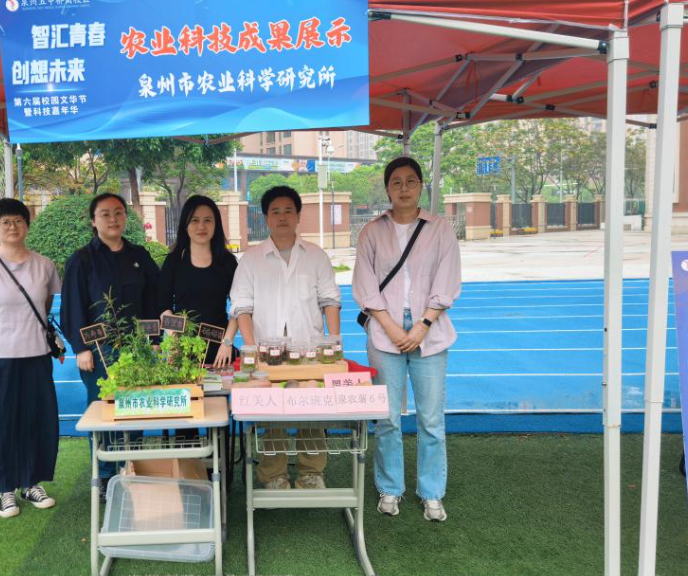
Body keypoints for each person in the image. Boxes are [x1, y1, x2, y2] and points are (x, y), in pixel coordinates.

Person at [352, 156, 462, 523]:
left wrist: (422, 326)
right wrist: (393, 328)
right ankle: (390, 487)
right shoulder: (372, 232)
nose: (403, 188)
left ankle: (432, 492)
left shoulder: (440, 230)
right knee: (387, 419)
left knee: (431, 419)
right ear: (387, 189)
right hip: (385, 335)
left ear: (420, 186)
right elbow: (365, 286)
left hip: (429, 334)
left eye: (410, 181)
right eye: (396, 182)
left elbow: (447, 281)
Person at [230, 185, 341, 490]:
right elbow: (241, 306)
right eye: (275, 212)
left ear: (298, 216)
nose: (282, 217)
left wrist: (333, 343)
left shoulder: (316, 256)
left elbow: (330, 300)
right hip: (266, 352)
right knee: (271, 414)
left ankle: (311, 472)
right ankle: (273, 475)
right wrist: (250, 347)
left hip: (310, 351)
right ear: (266, 218)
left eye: (288, 211)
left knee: (313, 412)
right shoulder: (251, 259)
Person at [0, 198, 62, 519]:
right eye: (5, 222)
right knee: (0, 423)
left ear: (27, 224)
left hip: (36, 357)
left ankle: (31, 482)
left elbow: (44, 306)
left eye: (18, 220)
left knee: (36, 420)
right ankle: (5, 489)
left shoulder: (44, 265)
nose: (12, 227)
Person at [60, 192, 160, 482]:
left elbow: (153, 300)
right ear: (93, 221)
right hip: (99, 351)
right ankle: (104, 475)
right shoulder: (82, 260)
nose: (113, 219)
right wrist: (81, 348)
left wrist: (154, 341)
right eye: (105, 214)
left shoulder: (139, 256)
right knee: (103, 409)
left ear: (126, 217)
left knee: (136, 407)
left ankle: (132, 468)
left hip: (137, 348)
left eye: (118, 212)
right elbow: (72, 306)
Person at [159, 195, 239, 367]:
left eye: (208, 220)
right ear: (185, 224)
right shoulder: (174, 261)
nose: (201, 226)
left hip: (220, 351)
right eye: (195, 220)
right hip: (183, 351)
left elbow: (239, 305)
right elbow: (163, 305)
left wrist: (227, 343)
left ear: (216, 224)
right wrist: (175, 340)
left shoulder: (227, 262)